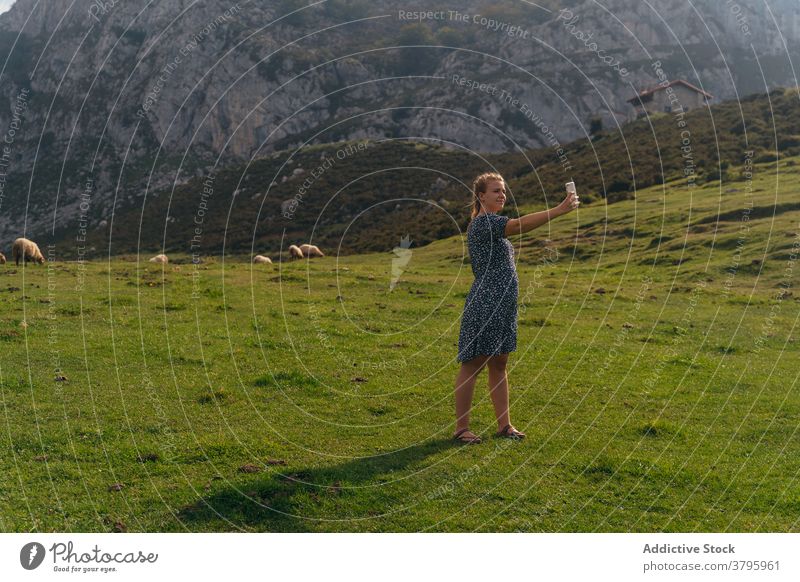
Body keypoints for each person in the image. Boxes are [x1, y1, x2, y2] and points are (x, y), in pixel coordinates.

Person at [453, 172, 580, 444]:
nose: (502, 195)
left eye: (503, 191)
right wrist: (559, 210)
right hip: (485, 303)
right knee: (473, 364)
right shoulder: (483, 223)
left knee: (499, 363)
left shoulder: (492, 223)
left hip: (503, 306)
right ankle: (461, 429)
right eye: (496, 190)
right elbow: (519, 225)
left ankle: (504, 425)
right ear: (481, 196)